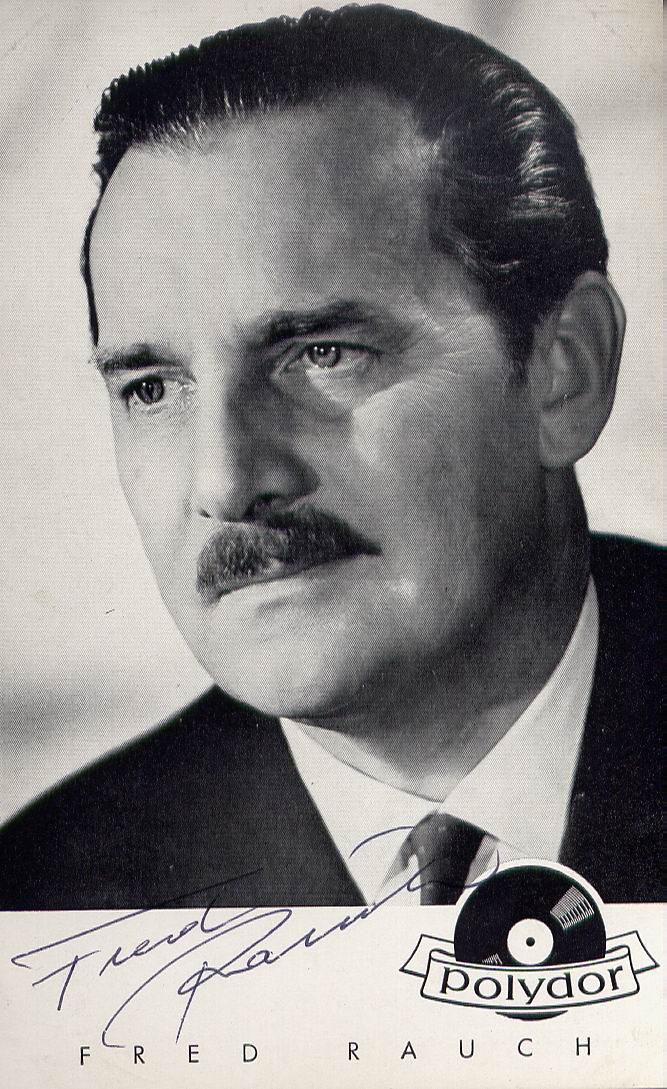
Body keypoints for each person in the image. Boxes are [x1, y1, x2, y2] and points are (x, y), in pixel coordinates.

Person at [0, 4, 661, 909]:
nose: (227, 482)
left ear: (565, 373)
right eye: (152, 388)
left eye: (321, 354)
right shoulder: (42, 903)